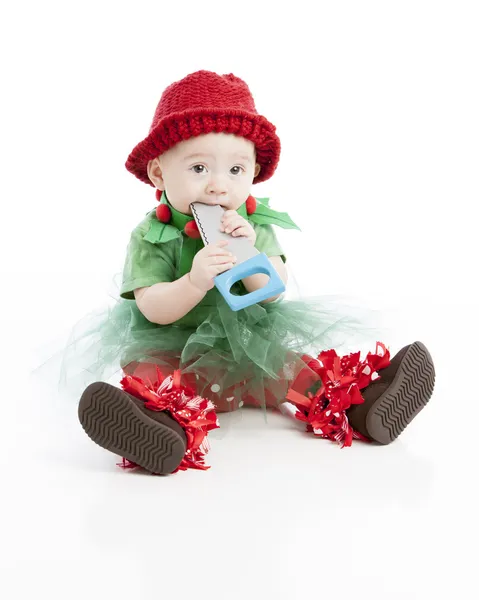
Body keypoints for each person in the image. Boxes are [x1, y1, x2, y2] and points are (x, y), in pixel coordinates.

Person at [74, 70, 435, 475]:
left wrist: (249, 256)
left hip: (247, 354)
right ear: (158, 174)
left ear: (253, 171)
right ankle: (159, 429)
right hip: (177, 354)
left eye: (235, 171)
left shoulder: (250, 224)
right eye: (198, 169)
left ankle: (365, 406)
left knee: (291, 370)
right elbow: (153, 308)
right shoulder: (152, 235)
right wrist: (194, 282)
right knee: (153, 377)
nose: (217, 187)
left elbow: (272, 291)